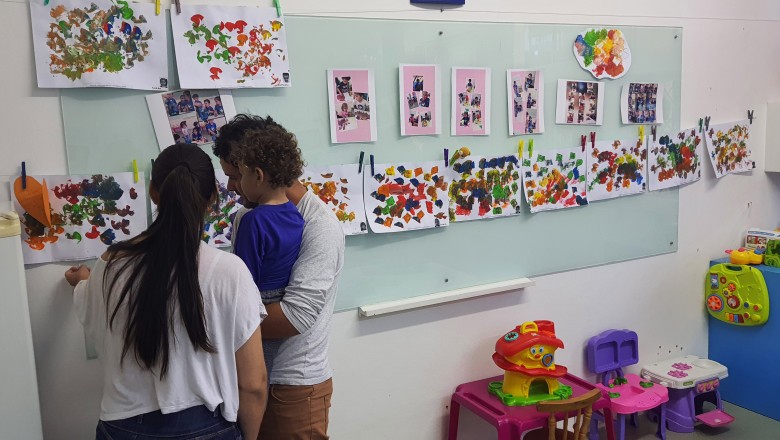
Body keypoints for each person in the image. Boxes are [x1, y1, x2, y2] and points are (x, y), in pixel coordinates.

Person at [64, 143, 268, 440]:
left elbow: (92, 303)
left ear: (152, 192)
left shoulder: (110, 265)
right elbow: (253, 384)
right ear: (213, 198)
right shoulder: (230, 272)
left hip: (122, 427)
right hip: (205, 427)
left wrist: (83, 280)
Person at [213, 114, 345, 440]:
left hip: (293, 389)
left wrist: (218, 322)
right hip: (252, 377)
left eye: (234, 176)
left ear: (256, 171)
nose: (230, 187)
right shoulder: (248, 216)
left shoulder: (320, 226)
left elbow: (294, 317)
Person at [230, 125, 305, 377]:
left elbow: (243, 278)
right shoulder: (295, 214)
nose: (239, 184)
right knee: (264, 370)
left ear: (258, 176)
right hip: (281, 299)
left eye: (241, 175)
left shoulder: (254, 220)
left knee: (246, 374)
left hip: (259, 301)